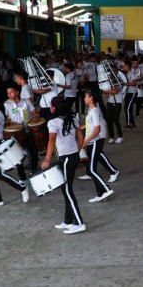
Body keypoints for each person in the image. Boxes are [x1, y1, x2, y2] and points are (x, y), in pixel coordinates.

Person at [41, 97, 86, 234]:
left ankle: (79, 223)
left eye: (51, 105)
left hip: (66, 159)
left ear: (54, 108)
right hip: (73, 157)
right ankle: (68, 221)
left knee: (67, 190)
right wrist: (76, 152)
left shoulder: (53, 122)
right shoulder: (73, 119)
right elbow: (81, 138)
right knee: (66, 188)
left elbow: (51, 141)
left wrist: (47, 159)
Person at [78, 90, 117, 203]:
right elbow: (91, 124)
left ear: (91, 98)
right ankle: (100, 194)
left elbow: (97, 128)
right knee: (92, 169)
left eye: (85, 97)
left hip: (94, 142)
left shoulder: (94, 110)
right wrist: (82, 127)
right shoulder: (90, 110)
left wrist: (86, 141)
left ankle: (106, 189)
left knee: (90, 170)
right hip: (91, 142)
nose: (84, 99)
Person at [4, 83, 39, 174]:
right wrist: (8, 122)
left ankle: (34, 168)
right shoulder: (7, 105)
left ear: (17, 92)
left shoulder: (26, 102)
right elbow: (7, 117)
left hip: (28, 130)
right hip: (16, 133)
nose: (9, 95)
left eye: (11, 92)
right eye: (8, 93)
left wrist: (35, 116)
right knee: (18, 154)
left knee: (33, 151)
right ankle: (21, 173)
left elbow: (34, 112)